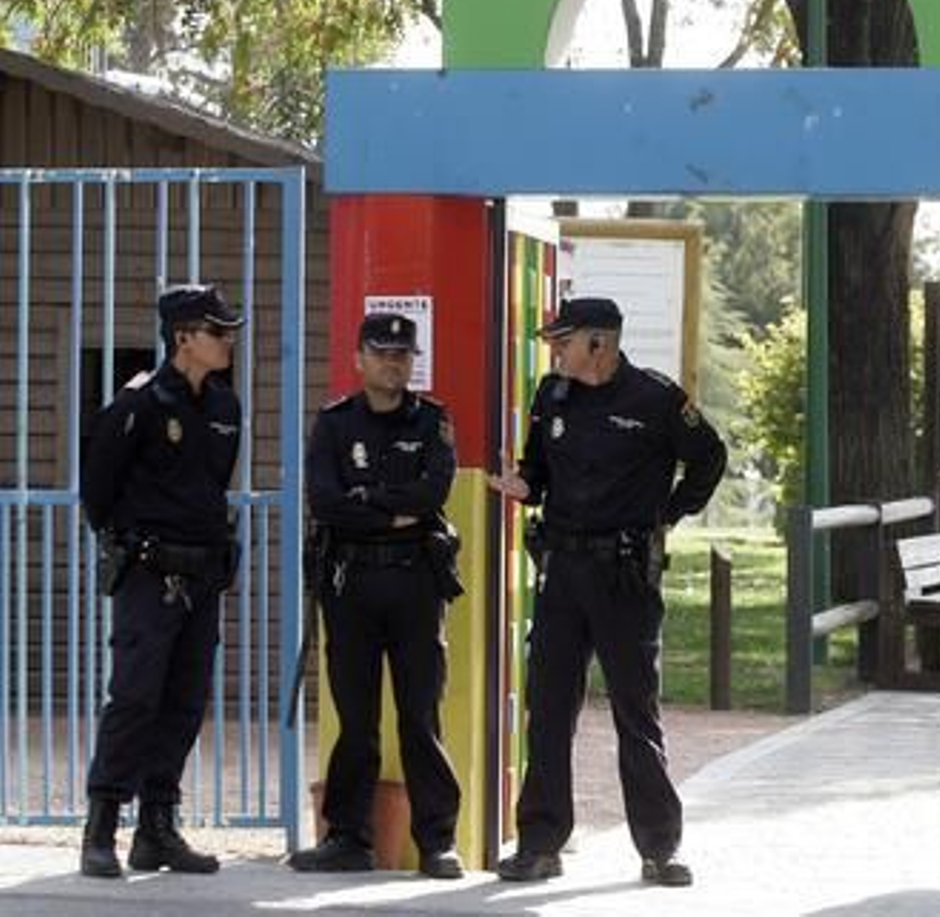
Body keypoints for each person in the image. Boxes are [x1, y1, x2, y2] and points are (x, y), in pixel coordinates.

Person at [488, 297, 726, 888]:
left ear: (598, 344)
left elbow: (709, 458)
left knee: (635, 712)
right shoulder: (553, 396)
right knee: (548, 708)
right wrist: (524, 485)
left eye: (563, 341)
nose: (554, 351)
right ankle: (540, 844)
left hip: (624, 577)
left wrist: (668, 514)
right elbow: (538, 469)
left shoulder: (655, 398)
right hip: (563, 571)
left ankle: (660, 848)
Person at [287, 313, 465, 879]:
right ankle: (347, 837)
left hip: (415, 584)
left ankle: (437, 842)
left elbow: (432, 493)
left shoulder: (432, 421)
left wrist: (364, 501)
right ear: (359, 359)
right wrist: (391, 511)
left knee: (420, 716)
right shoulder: (335, 423)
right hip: (351, 584)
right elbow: (325, 500)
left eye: (402, 354)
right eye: (382, 353)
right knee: (355, 719)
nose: (393, 363)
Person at [79, 283, 246, 878]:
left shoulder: (225, 407)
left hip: (201, 576)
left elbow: (212, 487)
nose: (228, 341)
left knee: (185, 701)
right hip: (150, 574)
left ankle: (157, 827)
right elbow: (98, 491)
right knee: (134, 697)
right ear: (183, 338)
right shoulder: (139, 405)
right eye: (217, 332)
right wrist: (133, 542)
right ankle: (101, 827)